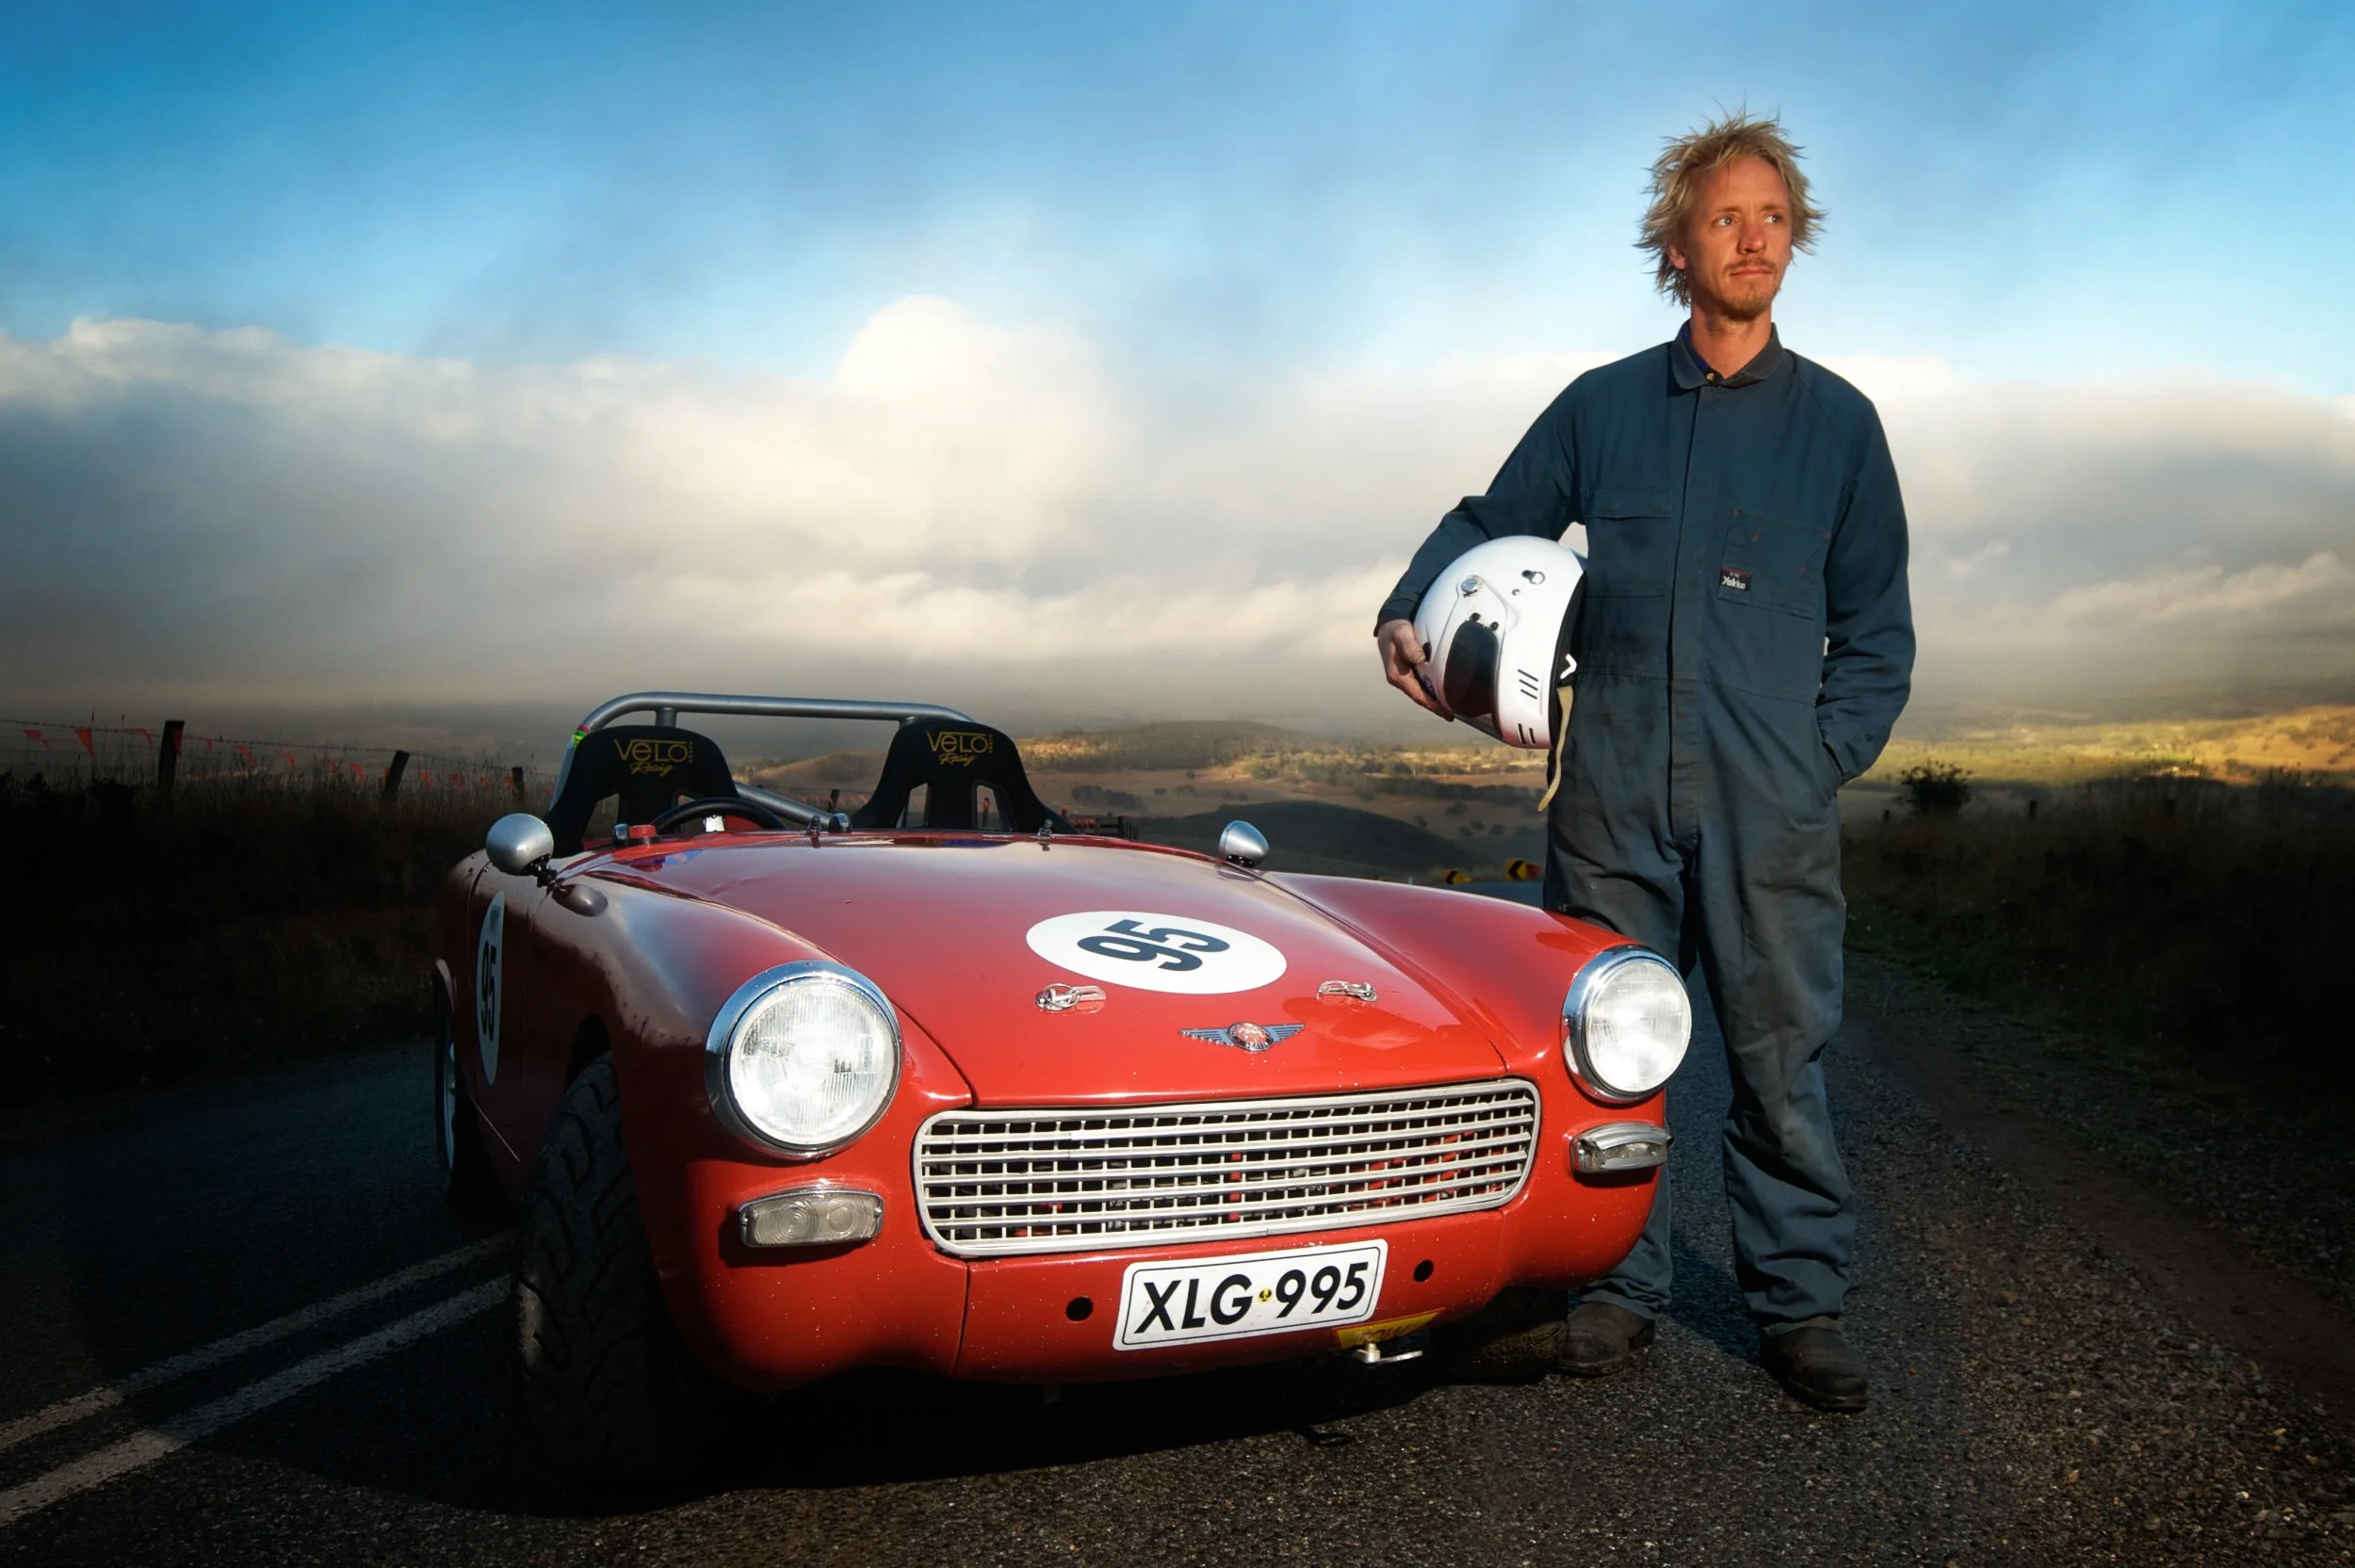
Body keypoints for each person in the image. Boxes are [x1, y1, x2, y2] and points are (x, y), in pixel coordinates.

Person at [1372, 112, 1913, 1412]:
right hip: (1609, 796)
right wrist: (1407, 608)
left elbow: (1879, 636)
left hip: (1765, 809)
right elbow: (1484, 523)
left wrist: (1805, 763)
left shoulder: (1841, 427)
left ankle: (1801, 1307)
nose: (1755, 239)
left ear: (1798, 240)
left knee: (1782, 1065)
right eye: (1726, 217)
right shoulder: (1600, 407)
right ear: (1677, 245)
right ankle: (1614, 1289)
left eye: (1774, 217)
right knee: (1606, 1058)